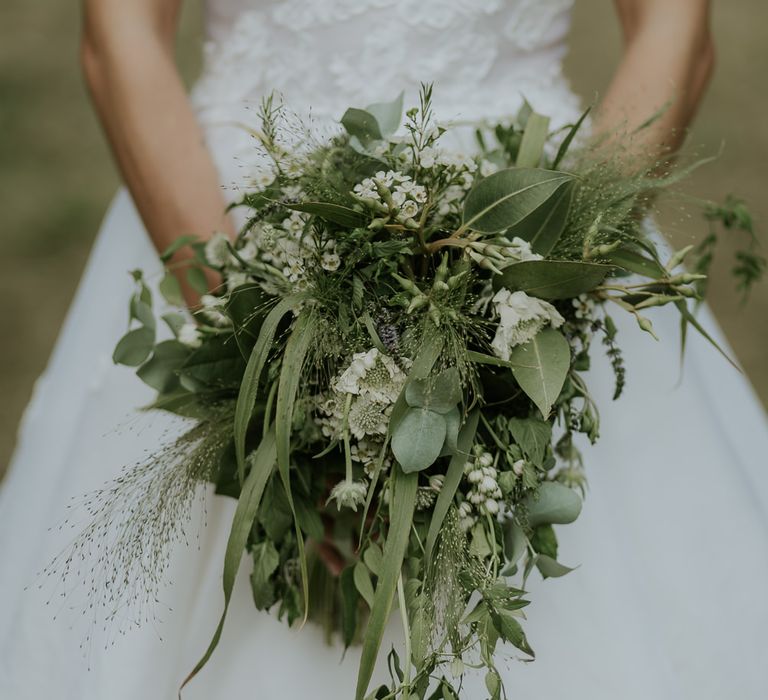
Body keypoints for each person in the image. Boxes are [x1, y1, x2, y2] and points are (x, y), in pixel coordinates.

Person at [2, 1, 767, 698]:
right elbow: (120, 32)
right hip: (230, 217)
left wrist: (538, 292)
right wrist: (267, 367)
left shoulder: (539, 277)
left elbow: (678, 30)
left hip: (529, 223)